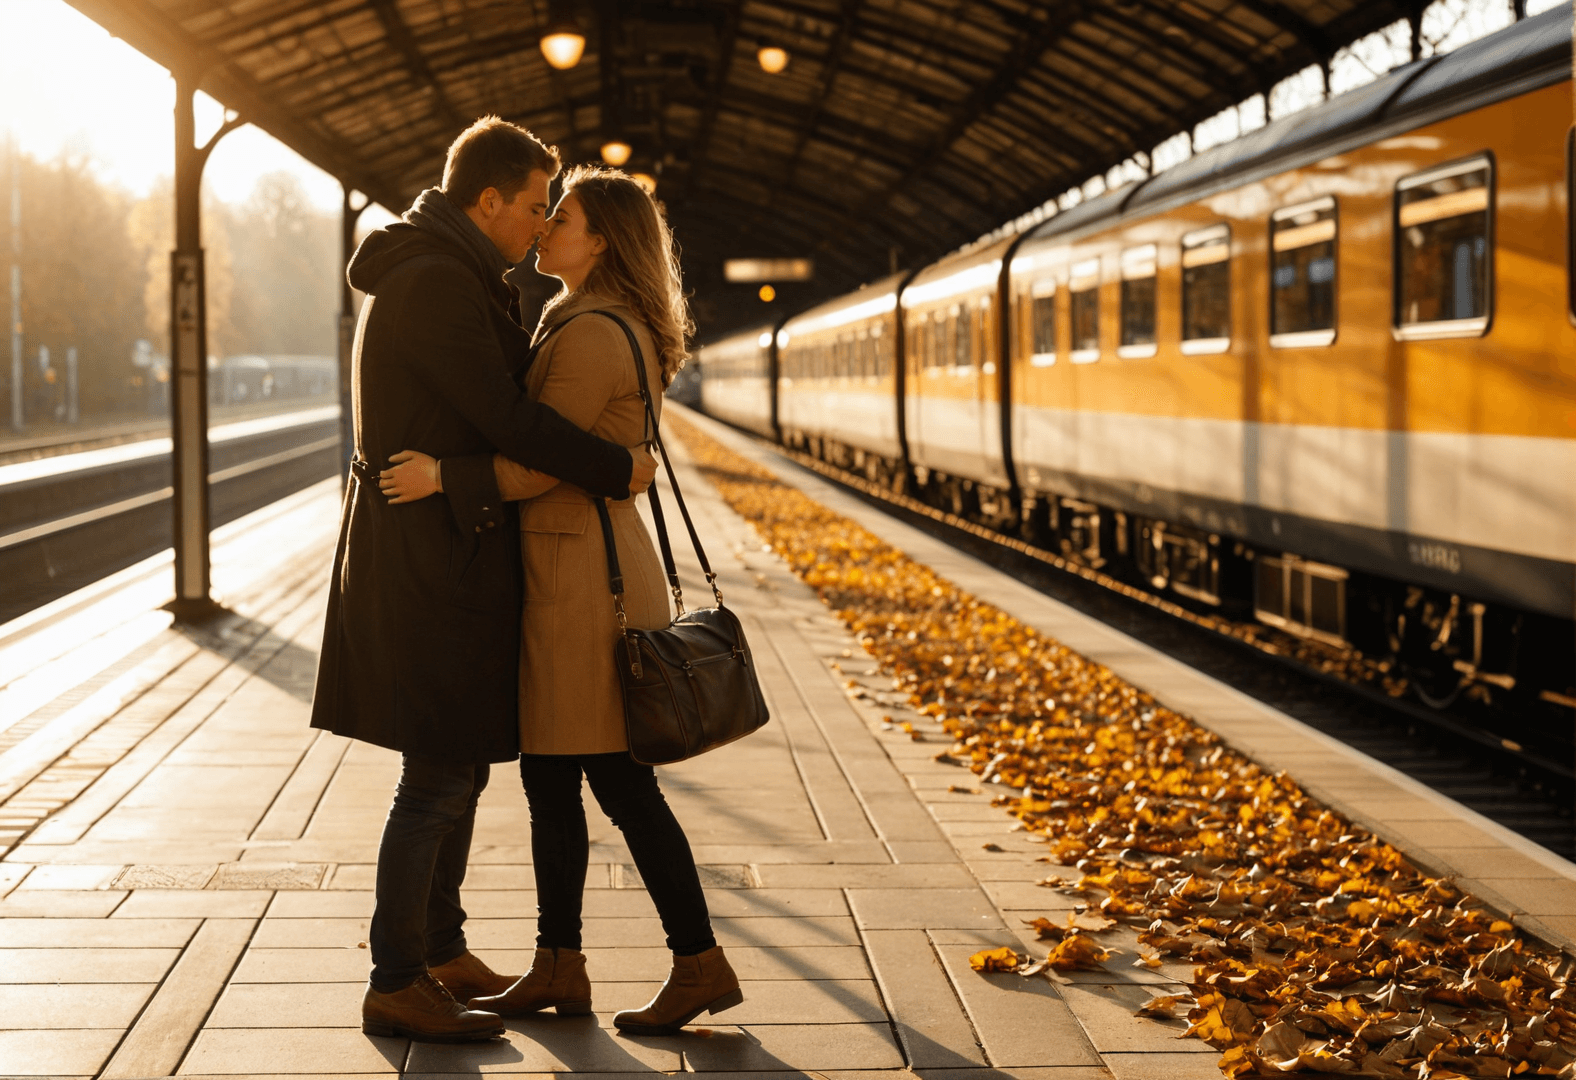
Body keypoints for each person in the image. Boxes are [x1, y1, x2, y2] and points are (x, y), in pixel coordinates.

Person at [310, 117, 659, 1044]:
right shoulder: (435, 283)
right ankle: (397, 978)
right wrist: (616, 466)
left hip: (446, 548)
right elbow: (507, 417)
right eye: (536, 205)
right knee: (434, 775)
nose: (542, 222)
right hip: (428, 558)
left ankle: (441, 947)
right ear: (489, 200)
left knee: (456, 762)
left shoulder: (453, 273)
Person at [378, 165, 741, 1036]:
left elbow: (544, 458)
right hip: (573, 568)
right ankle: (559, 964)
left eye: (563, 217)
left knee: (619, 784)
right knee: (551, 781)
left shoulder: (589, 334)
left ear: (602, 241)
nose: (545, 228)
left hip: (582, 579)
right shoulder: (587, 318)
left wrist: (445, 477)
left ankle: (697, 962)